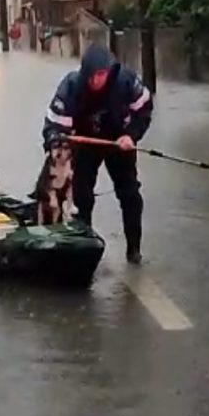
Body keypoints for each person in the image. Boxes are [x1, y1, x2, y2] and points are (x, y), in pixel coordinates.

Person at [42, 43, 153, 264]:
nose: (96, 81)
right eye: (91, 76)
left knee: (130, 194)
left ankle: (134, 250)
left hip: (118, 141)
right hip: (85, 142)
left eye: (101, 75)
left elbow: (144, 109)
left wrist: (131, 136)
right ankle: (85, 247)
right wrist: (58, 141)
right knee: (82, 196)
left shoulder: (126, 81)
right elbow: (53, 125)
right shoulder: (71, 86)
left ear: (109, 71)